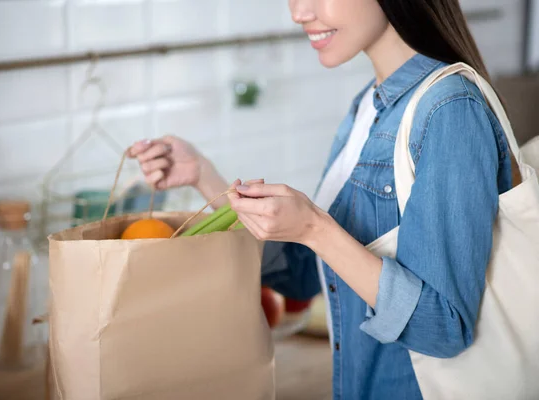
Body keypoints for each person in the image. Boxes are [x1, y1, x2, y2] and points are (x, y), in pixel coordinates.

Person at [130, 0, 517, 398]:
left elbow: (443, 328)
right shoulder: (370, 104)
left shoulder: (449, 109)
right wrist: (204, 176)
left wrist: (315, 228)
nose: (299, 13)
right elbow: (305, 274)